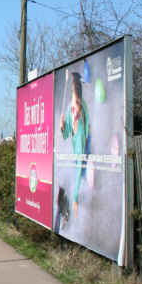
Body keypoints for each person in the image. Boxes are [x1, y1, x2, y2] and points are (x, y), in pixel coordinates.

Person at [59, 71, 90, 215]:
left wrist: (75, 198)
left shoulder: (82, 117)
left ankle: (75, 202)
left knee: (79, 174)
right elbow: (65, 135)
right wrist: (62, 125)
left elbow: (79, 167)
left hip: (84, 156)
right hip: (76, 154)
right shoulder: (69, 110)